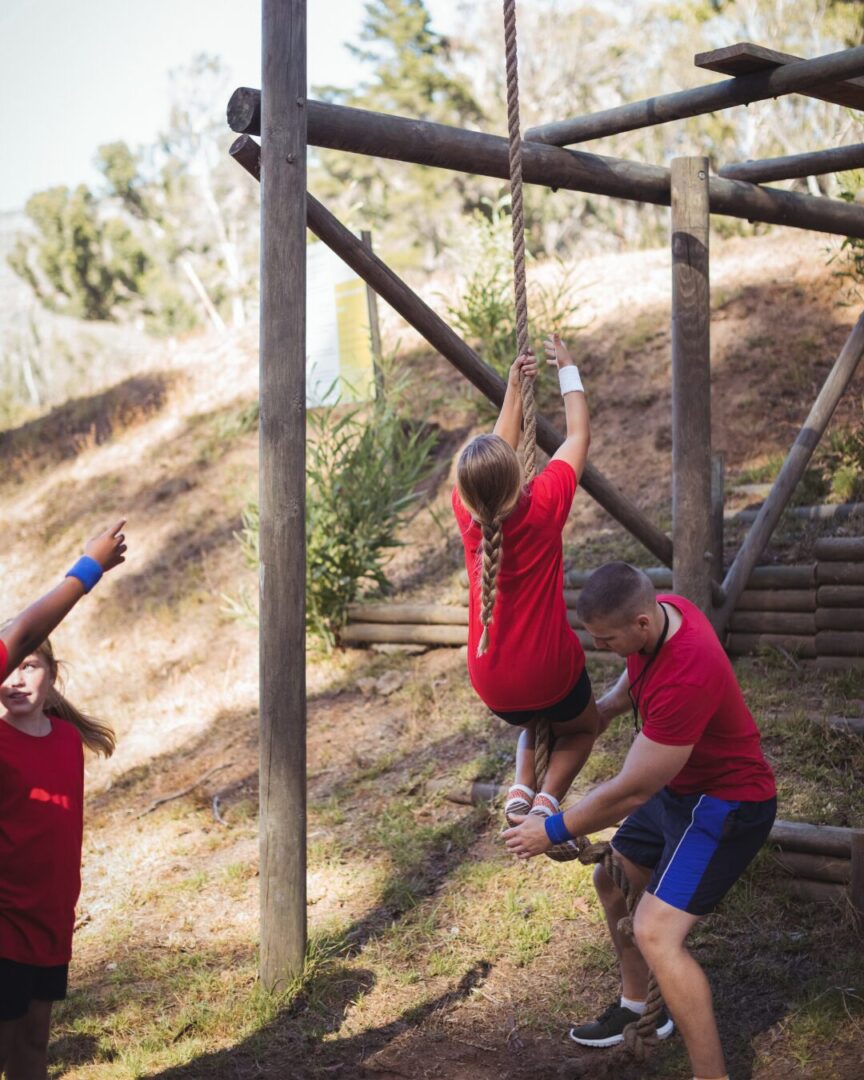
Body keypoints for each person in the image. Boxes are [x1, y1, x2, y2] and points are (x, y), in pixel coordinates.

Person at [503, 562, 777, 1080]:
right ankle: (637, 1007)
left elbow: (631, 789)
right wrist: (604, 708)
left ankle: (710, 1075)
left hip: (726, 805)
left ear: (641, 624)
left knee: (656, 933)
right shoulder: (666, 612)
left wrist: (552, 829)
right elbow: (636, 670)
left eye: (606, 639)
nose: (602, 648)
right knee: (613, 878)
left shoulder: (686, 671)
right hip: (684, 788)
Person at [452, 335, 599, 836]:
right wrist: (569, 373)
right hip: (549, 674)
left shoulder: (466, 515)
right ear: (517, 477)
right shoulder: (543, 505)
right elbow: (577, 436)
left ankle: (520, 785)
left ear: (467, 496)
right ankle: (547, 798)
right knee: (580, 727)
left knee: (530, 717)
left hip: (492, 684)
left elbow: (495, 455)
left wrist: (513, 387)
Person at [0, 521, 127, 1080]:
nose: (17, 677)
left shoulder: (68, 742)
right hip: (4, 919)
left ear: (53, 677)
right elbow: (23, 631)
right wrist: (88, 568)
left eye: (31, 666)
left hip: (50, 917)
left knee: (33, 1042)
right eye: (13, 665)